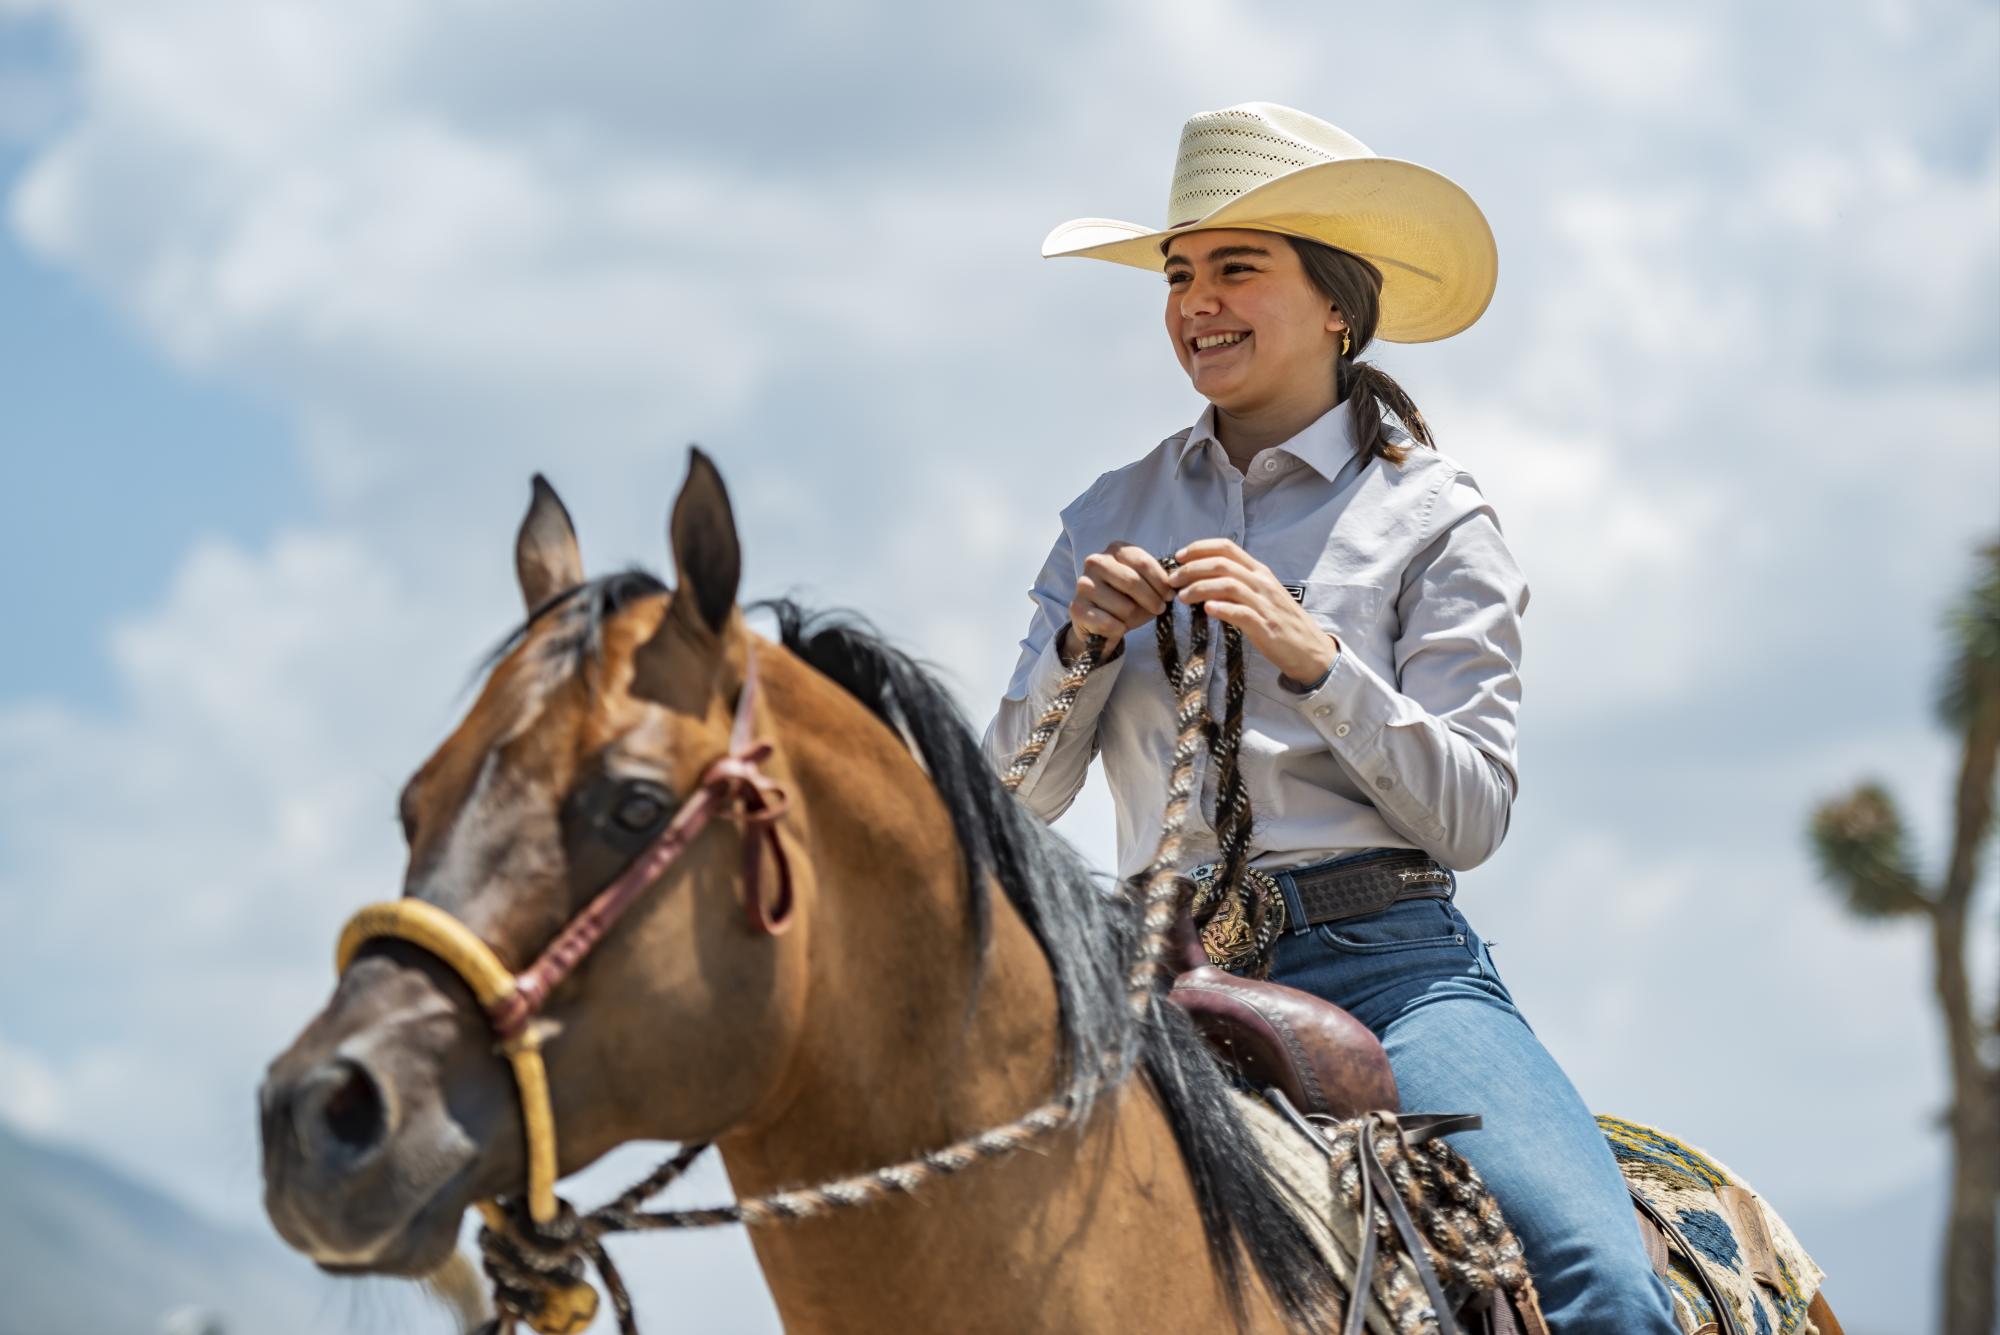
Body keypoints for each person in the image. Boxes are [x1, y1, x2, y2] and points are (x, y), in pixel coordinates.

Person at [981, 102, 1681, 1332]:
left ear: (1335, 305)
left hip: (1388, 974)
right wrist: (1081, 649)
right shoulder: (1104, 511)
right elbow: (1016, 798)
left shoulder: (1434, 518)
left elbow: (1469, 816)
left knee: (1596, 1286)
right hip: (1151, 976)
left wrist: (1316, 662)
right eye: (1177, 272)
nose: (1195, 298)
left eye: (1236, 267)